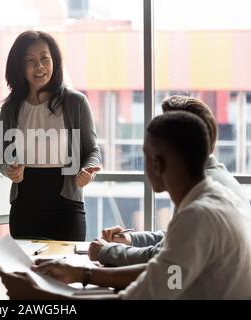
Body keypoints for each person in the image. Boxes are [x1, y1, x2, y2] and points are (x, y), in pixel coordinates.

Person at [0, 111, 251, 299]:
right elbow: (163, 272)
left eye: (144, 155)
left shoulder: (197, 216)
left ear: (157, 164)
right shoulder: (214, 197)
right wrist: (83, 275)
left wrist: (38, 296)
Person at [89, 95, 251, 266]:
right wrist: (130, 239)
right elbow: (176, 238)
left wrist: (104, 254)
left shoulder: (202, 198)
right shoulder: (210, 179)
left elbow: (163, 262)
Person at [0, 30, 101, 241]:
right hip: (24, 204)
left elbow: (92, 150)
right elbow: (2, 159)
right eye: (30, 61)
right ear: (19, 66)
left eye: (45, 58)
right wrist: (10, 170)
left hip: (67, 202)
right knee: (25, 271)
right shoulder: (10, 109)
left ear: (55, 61)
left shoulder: (75, 103)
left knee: (68, 270)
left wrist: (88, 170)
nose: (40, 67)